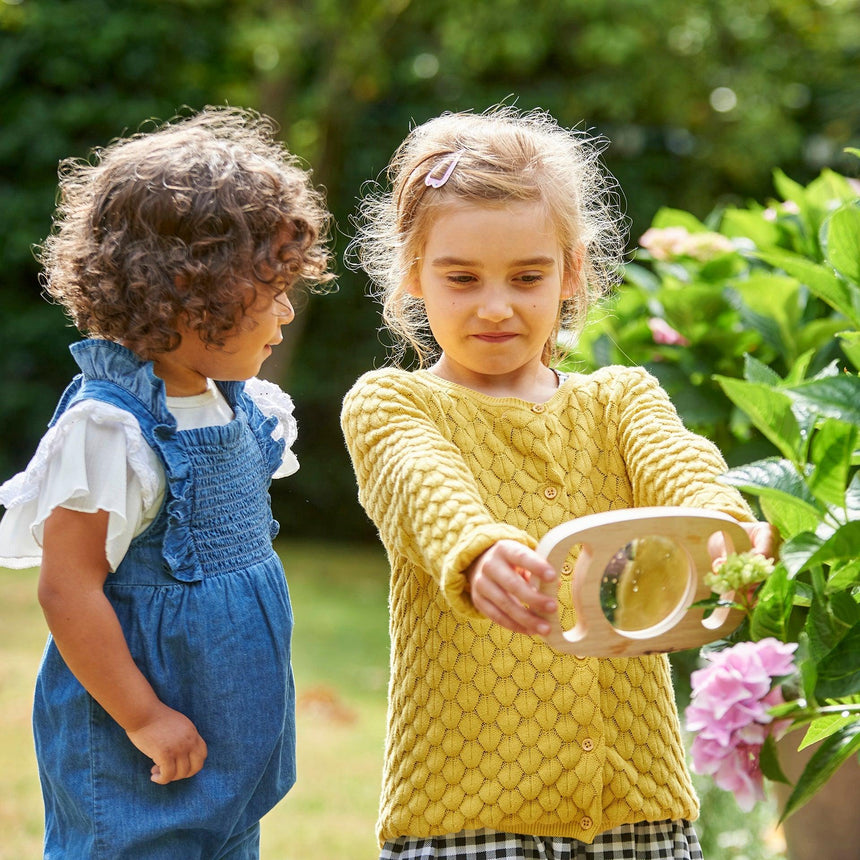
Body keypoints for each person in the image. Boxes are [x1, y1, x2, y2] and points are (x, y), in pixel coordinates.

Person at [340, 106, 776, 860]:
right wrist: (476, 554)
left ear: (572, 270)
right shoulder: (393, 403)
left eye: (528, 276)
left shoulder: (621, 400)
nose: (497, 305)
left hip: (640, 809)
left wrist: (722, 527)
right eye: (462, 278)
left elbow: (682, 463)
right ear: (414, 273)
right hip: (468, 813)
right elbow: (421, 483)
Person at [0, 106, 333, 858]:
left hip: (227, 733)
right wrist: (142, 714)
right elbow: (68, 588)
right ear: (189, 292)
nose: (285, 312)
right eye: (269, 289)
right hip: (140, 744)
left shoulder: (233, 402)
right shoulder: (110, 429)